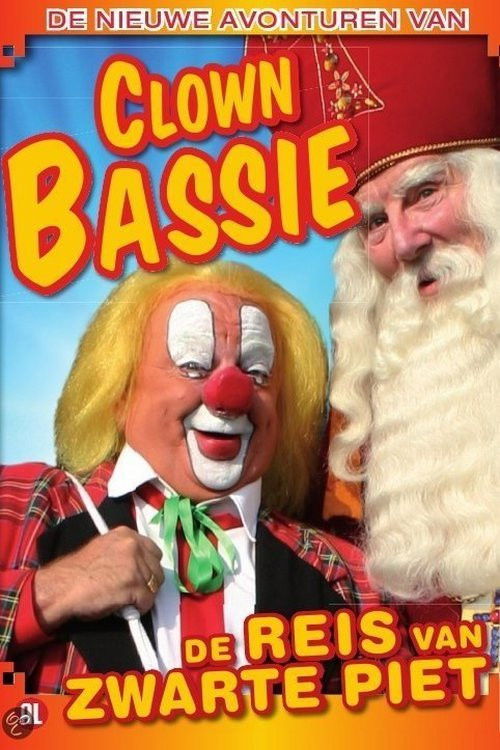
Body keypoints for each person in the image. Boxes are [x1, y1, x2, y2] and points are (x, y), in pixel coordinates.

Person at [0, 261, 379, 694]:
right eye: (193, 366)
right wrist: (47, 594)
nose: (229, 396)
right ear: (120, 392)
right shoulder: (25, 505)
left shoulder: (341, 573)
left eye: (257, 373)